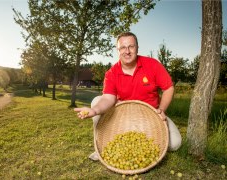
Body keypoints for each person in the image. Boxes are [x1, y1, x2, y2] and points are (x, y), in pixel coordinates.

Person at [74, 32, 182, 160]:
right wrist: (94, 110)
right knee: (97, 101)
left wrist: (161, 110)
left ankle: (144, 140)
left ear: (137, 47)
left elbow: (169, 88)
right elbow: (108, 98)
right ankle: (103, 145)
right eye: (123, 47)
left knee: (175, 143)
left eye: (131, 46)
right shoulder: (111, 73)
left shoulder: (152, 64)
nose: (127, 51)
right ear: (117, 50)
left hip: (151, 115)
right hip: (123, 116)